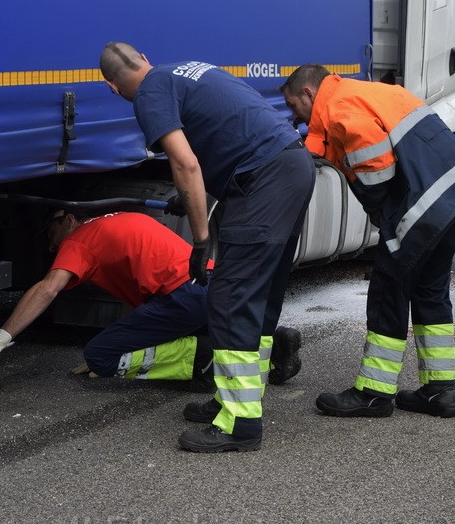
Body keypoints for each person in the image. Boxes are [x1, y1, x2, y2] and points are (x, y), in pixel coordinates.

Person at [100, 42, 315, 453]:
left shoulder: (148, 93)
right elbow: (225, 133)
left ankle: (239, 424)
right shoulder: (186, 68)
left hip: (263, 181)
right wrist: (197, 192)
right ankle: (234, 400)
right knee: (260, 293)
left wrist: (200, 240)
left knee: (230, 295)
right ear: (144, 57)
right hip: (292, 166)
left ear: (113, 87)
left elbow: (185, 163)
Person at [279, 65, 455, 419]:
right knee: (429, 289)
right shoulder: (367, 91)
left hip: (425, 201)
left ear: (308, 94)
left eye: (293, 106)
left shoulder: (339, 108)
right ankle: (439, 392)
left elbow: (376, 166)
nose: (294, 115)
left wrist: (383, 213)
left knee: (388, 289)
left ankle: (374, 393)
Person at [0, 209, 303, 390]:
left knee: (100, 357)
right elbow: (139, 306)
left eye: (52, 233)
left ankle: (205, 359)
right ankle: (272, 345)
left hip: (184, 295)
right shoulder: (115, 222)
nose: (51, 245)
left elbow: (47, 288)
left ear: (69, 220)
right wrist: (123, 341)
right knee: (125, 342)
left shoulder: (78, 241)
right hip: (211, 283)